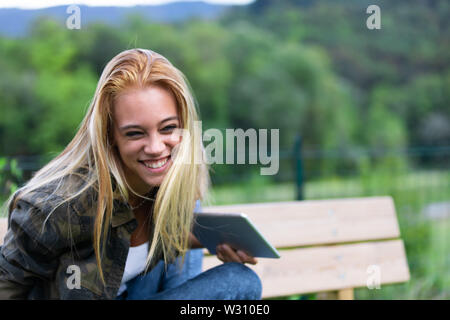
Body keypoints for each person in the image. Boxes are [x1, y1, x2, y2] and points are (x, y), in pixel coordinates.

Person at [0, 48, 262, 300]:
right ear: (110, 135)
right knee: (237, 279)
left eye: (168, 128)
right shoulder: (59, 206)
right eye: (135, 133)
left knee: (228, 265)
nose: (156, 148)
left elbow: (152, 243)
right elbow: (7, 284)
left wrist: (217, 240)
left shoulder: (170, 183)